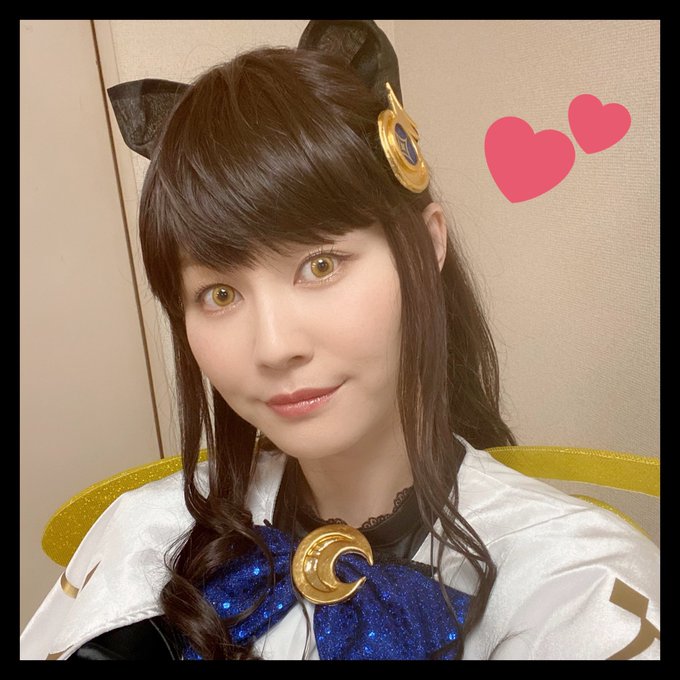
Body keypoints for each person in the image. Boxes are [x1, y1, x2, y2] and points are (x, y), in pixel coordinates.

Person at [20, 20, 659, 660]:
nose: (274, 346)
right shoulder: (149, 542)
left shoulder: (575, 582)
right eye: (220, 294)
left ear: (428, 243)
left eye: (320, 265)